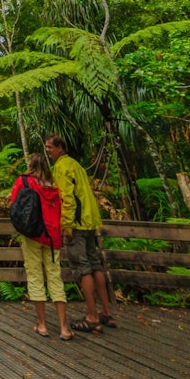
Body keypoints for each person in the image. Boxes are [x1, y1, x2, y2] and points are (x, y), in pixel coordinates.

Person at [44, 133, 117, 333]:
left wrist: (66, 225)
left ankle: (92, 316)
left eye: (50, 147)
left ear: (60, 148)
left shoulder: (61, 167)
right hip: (89, 222)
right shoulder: (76, 165)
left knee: (83, 268)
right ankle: (106, 313)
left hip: (75, 225)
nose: (47, 150)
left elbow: (66, 198)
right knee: (95, 265)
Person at [10, 153, 74, 341]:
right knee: (55, 278)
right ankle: (63, 328)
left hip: (32, 235)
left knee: (35, 277)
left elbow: (14, 207)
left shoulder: (24, 182)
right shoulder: (54, 186)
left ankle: (43, 325)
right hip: (52, 236)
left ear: (30, 165)